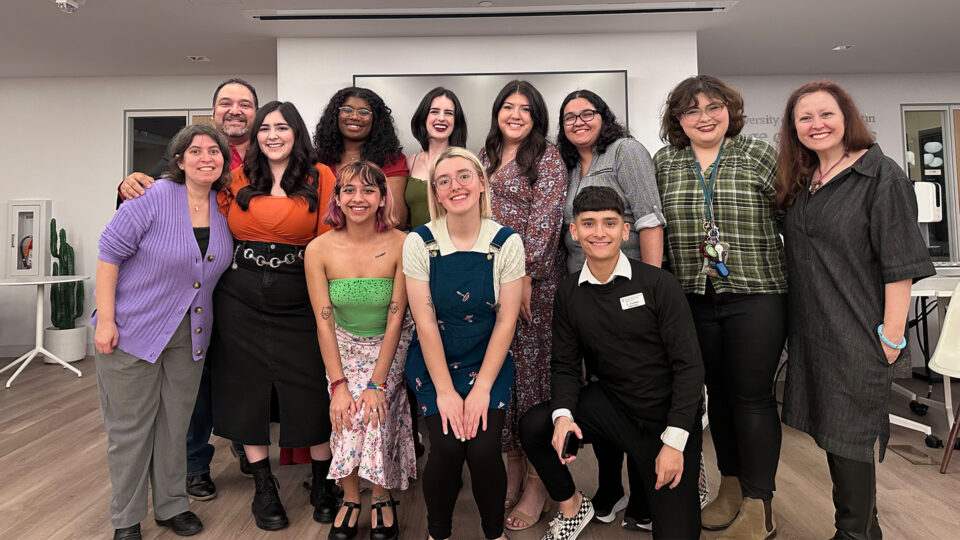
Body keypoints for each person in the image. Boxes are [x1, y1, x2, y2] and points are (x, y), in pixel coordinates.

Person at [775, 80, 935, 540]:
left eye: (826, 114)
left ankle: (854, 533)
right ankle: (868, 531)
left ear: (847, 117)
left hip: (859, 333)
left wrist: (891, 337)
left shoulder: (880, 176)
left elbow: (899, 265)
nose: (816, 124)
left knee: (849, 439)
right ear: (793, 129)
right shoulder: (804, 182)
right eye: (804, 118)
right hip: (815, 330)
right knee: (835, 439)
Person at [519, 186, 704, 540]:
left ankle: (692, 472)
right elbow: (566, 365)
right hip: (614, 407)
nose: (599, 232)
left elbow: (689, 368)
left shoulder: (658, 284)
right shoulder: (569, 292)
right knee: (535, 425)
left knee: (677, 534)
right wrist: (563, 418)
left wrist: (676, 443)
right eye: (588, 224)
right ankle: (573, 505)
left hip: (666, 419)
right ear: (573, 232)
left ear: (625, 230)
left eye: (609, 223)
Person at [653, 75, 786, 539]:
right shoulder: (665, 163)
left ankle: (758, 502)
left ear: (730, 110)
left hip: (757, 293)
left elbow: (793, 216)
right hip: (693, 295)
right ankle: (729, 486)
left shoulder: (758, 154)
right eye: (692, 111)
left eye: (714, 107)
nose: (705, 117)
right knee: (719, 397)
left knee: (751, 396)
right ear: (678, 120)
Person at [117, 78, 259, 500]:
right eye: (226, 103)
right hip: (185, 288)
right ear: (213, 111)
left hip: (243, 286)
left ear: (256, 112)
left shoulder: (269, 154)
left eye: (245, 104)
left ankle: (244, 443)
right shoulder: (191, 151)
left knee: (239, 373)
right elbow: (149, 199)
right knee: (191, 384)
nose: (235, 110)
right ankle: (195, 464)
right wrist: (127, 185)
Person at [93, 124, 234, 540]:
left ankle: (172, 505)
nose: (206, 157)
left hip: (189, 338)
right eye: (196, 151)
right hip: (132, 331)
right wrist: (105, 321)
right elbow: (108, 254)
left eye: (215, 151)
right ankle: (126, 518)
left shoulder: (223, 211)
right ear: (179, 160)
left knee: (176, 425)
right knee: (130, 430)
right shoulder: (149, 198)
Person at [209, 100, 339, 530]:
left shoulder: (320, 176)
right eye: (265, 128)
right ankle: (264, 488)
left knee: (309, 390)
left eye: (281, 127)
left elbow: (327, 240)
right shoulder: (237, 177)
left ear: (295, 132)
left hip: (299, 295)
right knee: (246, 389)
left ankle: (323, 484)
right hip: (240, 297)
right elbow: (191, 200)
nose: (272, 135)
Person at [556, 88, 666, 530]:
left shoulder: (625, 151)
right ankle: (610, 486)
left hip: (629, 291)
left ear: (605, 117)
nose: (579, 121)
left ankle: (643, 494)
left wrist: (652, 287)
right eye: (569, 117)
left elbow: (648, 218)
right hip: (585, 297)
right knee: (600, 387)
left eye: (588, 113)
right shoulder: (568, 168)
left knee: (636, 390)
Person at [404, 147, 524, 540]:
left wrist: (481, 389)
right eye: (443, 181)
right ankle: (438, 533)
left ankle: (494, 533)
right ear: (436, 194)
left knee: (485, 450)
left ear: (482, 183)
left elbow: (506, 321)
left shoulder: (506, 242)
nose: (455, 186)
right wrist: (445, 392)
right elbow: (424, 322)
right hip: (434, 359)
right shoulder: (419, 242)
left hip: (487, 358)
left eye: (464, 176)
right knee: (449, 449)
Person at [304, 161, 416, 540]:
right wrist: (338, 383)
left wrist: (378, 383)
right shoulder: (318, 249)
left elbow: (397, 319)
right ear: (337, 197)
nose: (358, 198)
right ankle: (351, 496)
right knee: (346, 410)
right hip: (344, 343)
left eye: (369, 190)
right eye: (348, 190)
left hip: (391, 341)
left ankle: (382, 495)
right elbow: (324, 322)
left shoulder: (403, 243)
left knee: (374, 408)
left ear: (383, 197)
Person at [477, 80, 567, 531]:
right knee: (503, 375)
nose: (515, 114)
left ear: (536, 116)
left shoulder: (547, 156)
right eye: (507, 107)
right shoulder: (484, 154)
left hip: (534, 283)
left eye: (525, 108)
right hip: (487, 282)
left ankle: (538, 481)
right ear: (497, 112)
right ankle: (512, 467)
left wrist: (527, 273)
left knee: (534, 380)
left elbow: (546, 217)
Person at [314, 87, 410, 229]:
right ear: (335, 115)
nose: (354, 116)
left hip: (376, 243)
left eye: (364, 112)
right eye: (347, 110)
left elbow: (397, 219)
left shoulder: (391, 160)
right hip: (323, 241)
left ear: (376, 120)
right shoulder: (317, 158)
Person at [407, 87, 468, 230]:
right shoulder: (411, 161)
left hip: (454, 246)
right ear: (423, 117)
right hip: (416, 247)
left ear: (455, 121)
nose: (441, 118)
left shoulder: (465, 163)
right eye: (434, 111)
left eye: (449, 113)